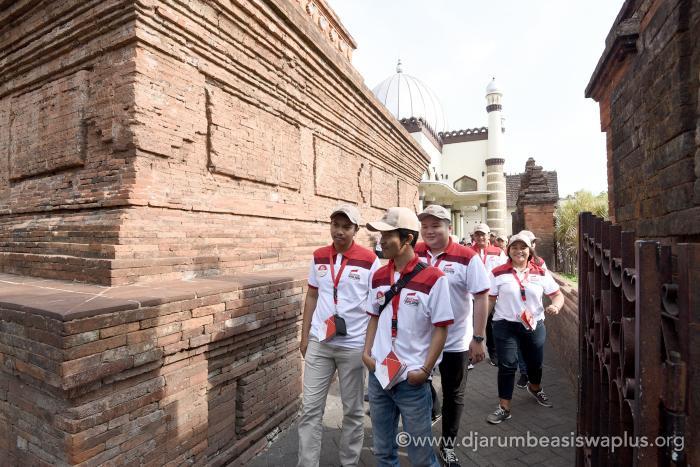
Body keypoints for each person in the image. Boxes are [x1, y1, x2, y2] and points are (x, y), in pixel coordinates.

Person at [363, 207, 454, 467]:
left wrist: (424, 371)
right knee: (383, 451)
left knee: (421, 456)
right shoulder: (379, 276)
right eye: (380, 236)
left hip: (412, 380)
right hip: (379, 374)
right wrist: (367, 354)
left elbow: (441, 328)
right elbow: (374, 316)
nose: (380, 241)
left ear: (407, 239)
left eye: (387, 236)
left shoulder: (434, 278)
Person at [298, 204, 381, 467]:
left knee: (353, 411)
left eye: (346, 227)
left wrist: (369, 347)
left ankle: (349, 462)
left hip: (353, 346)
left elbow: (375, 306)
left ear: (356, 229)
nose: (340, 231)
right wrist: (305, 336)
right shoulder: (319, 256)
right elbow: (312, 296)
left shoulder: (369, 260)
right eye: (336, 225)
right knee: (310, 409)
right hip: (320, 341)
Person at [416, 205, 490, 467]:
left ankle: (447, 445)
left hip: (455, 340)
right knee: (418, 386)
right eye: (425, 226)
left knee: (454, 394)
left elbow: (481, 297)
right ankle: (430, 415)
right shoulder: (414, 253)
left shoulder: (467, 257)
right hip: (421, 341)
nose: (429, 231)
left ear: (449, 227)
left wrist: (478, 339)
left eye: (435, 225)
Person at [485, 233, 565, 424]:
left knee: (535, 363)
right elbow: (490, 299)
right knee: (507, 365)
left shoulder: (541, 272)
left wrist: (556, 306)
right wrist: (478, 328)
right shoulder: (497, 272)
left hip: (533, 324)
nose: (518, 251)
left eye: (523, 247)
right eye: (514, 247)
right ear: (508, 250)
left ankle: (535, 387)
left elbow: (557, 295)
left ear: (530, 251)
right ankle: (504, 407)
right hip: (505, 325)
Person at [470, 223, 507, 365]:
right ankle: (470, 356)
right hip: (472, 295)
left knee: (491, 325)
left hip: (491, 296)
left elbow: (504, 271)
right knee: (470, 325)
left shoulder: (497, 252)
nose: (480, 237)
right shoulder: (468, 251)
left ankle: (493, 353)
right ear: (474, 236)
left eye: (483, 234)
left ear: (489, 236)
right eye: (477, 234)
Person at [514, 230, 546, 389]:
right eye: (530, 241)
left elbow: (547, 286)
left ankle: (534, 378)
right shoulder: (511, 262)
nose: (533, 244)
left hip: (535, 315)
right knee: (520, 345)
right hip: (517, 314)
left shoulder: (540, 263)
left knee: (534, 349)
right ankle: (524, 373)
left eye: (533, 242)